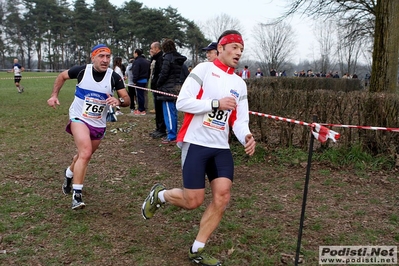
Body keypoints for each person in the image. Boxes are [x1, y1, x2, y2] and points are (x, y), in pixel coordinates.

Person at [141, 30, 256, 266]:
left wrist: (246, 136)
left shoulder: (239, 84)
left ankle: (197, 249)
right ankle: (160, 195)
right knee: (193, 201)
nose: (238, 52)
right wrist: (215, 103)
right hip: (196, 142)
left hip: (220, 147)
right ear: (221, 48)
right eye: (234, 47)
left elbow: (240, 120)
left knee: (222, 197)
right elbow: (183, 102)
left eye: (241, 49)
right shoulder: (203, 70)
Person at [47, 44, 130, 210]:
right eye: (101, 56)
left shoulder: (114, 77)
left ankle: (69, 173)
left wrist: (119, 101)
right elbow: (62, 76)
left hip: (98, 124)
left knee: (83, 155)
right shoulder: (82, 71)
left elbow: (127, 99)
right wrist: (54, 95)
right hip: (79, 118)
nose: (105, 60)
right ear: (93, 57)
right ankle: (77, 196)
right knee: (84, 153)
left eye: (108, 56)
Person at [156, 38, 188, 144]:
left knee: (169, 112)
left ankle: (171, 135)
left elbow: (164, 73)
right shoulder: (180, 59)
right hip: (178, 88)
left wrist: (158, 84)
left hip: (168, 89)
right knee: (174, 112)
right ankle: (175, 133)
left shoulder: (168, 58)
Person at [148, 42, 167, 139]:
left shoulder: (161, 59)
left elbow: (160, 73)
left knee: (160, 109)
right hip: (154, 87)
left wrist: (158, 84)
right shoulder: (154, 58)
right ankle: (158, 128)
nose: (150, 50)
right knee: (157, 109)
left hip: (159, 88)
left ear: (157, 48)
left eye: (152, 48)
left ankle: (162, 129)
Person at [132, 48, 150, 115]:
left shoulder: (137, 62)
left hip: (139, 81)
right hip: (145, 80)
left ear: (136, 53)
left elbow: (136, 72)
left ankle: (141, 109)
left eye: (134, 53)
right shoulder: (146, 61)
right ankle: (144, 108)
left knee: (140, 96)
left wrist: (134, 80)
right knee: (144, 95)